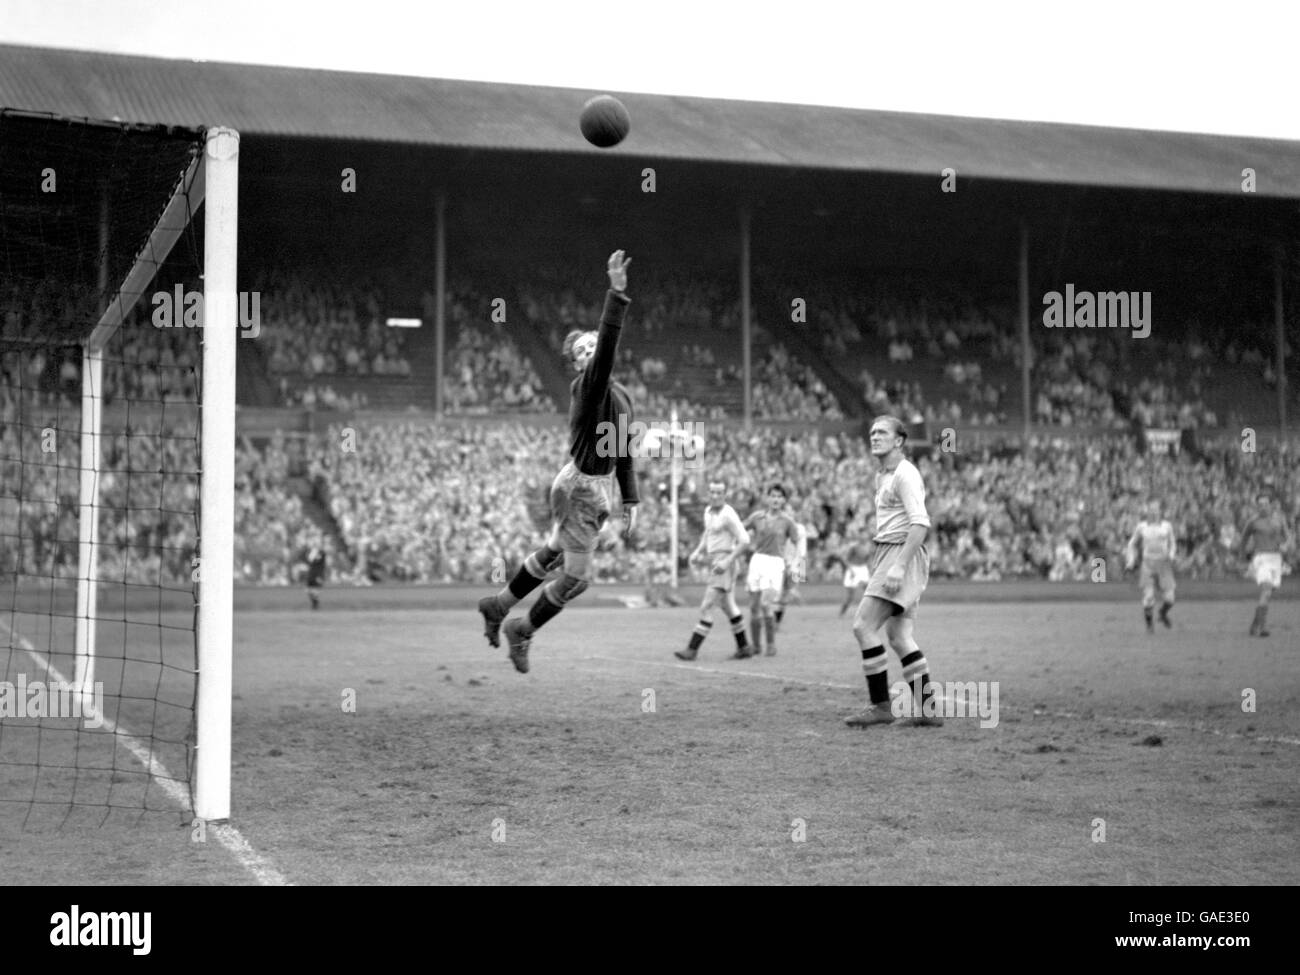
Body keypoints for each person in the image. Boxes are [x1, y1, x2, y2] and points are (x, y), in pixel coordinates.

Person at [477, 251, 637, 672]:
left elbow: (622, 451)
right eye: (583, 351)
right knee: (577, 578)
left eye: (592, 345)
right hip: (582, 486)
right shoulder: (589, 386)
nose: (590, 351)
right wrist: (616, 296)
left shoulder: (621, 398)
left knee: (552, 552)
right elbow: (605, 359)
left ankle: (498, 605)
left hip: (587, 485)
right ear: (580, 364)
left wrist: (631, 500)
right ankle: (521, 629)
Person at [845, 415, 941, 728]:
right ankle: (928, 711)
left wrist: (899, 565)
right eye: (872, 432)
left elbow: (920, 523)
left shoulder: (905, 474)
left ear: (898, 440)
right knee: (899, 636)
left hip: (901, 553)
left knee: (863, 625)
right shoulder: (882, 475)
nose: (874, 436)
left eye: (882, 432)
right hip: (891, 552)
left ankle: (881, 706)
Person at [675, 479, 751, 661]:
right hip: (715, 562)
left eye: (719, 493)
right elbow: (707, 533)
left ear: (725, 495)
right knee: (729, 606)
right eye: (712, 492)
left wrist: (727, 561)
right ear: (708, 494)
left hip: (724, 564)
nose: (715, 496)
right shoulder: (708, 512)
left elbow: (745, 540)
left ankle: (691, 650)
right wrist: (698, 551)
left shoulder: (728, 515)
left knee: (706, 607)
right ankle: (744, 647)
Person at [738, 484, 800, 657]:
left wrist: (796, 565)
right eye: (773, 496)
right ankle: (756, 646)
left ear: (784, 500)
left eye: (780, 497)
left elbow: (798, 544)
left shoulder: (788, 521)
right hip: (757, 561)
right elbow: (740, 529)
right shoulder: (757, 517)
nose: (776, 499)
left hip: (775, 564)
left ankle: (771, 644)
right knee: (753, 607)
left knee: (766, 604)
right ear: (767, 498)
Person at [1240, 491, 1292, 637]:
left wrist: (1286, 545)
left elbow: (1288, 537)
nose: (1262, 507)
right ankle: (1262, 627)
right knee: (1267, 590)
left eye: (1265, 504)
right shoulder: (1253, 521)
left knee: (1268, 593)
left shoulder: (1279, 519)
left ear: (1271, 504)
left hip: (1276, 559)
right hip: (1261, 558)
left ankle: (1254, 624)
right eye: (1260, 504)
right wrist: (1242, 559)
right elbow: (1243, 540)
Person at [1125, 500, 1177, 632]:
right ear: (1147, 511)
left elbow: (1173, 543)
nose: (1153, 512)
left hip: (1163, 564)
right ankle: (1149, 626)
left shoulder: (1167, 526)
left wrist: (1171, 555)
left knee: (1170, 599)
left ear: (1160, 511)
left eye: (1156, 509)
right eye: (1151, 509)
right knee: (1148, 597)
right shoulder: (1142, 527)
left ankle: (1162, 614)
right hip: (1148, 563)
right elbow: (1132, 544)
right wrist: (1131, 561)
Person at [774, 504, 808, 629]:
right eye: (785, 511)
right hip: (780, 562)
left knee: (785, 594)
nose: (788, 514)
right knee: (779, 592)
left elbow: (802, 550)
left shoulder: (800, 529)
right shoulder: (779, 527)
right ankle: (774, 620)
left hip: (796, 562)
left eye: (790, 511)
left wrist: (800, 569)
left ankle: (776, 622)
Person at [826, 536, 875, 617]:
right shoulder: (854, 548)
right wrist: (851, 570)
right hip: (853, 568)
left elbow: (868, 560)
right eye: (862, 535)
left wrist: (869, 570)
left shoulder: (868, 547)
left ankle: (869, 612)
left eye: (865, 536)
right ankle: (842, 613)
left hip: (863, 569)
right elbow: (846, 559)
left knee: (869, 591)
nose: (864, 537)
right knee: (850, 596)